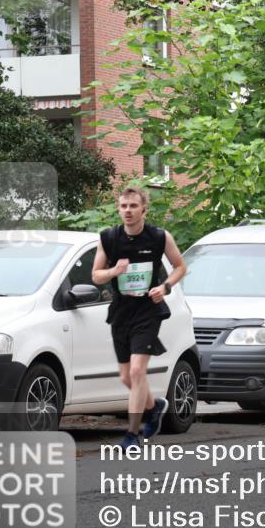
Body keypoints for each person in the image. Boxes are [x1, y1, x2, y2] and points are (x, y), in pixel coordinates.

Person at [92, 186, 187, 449]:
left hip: (148, 310)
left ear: (144, 209)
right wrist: (114, 271)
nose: (127, 211)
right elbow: (96, 275)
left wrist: (164, 287)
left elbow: (180, 267)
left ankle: (132, 434)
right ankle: (155, 406)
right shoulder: (109, 237)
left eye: (133, 206)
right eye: (123, 206)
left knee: (136, 371)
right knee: (127, 377)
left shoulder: (159, 237)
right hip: (121, 312)